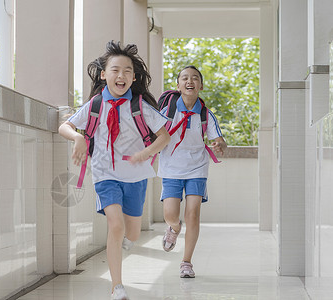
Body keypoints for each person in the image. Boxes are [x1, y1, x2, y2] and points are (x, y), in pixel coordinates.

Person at [59, 41, 170, 300]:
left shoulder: (139, 106)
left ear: (134, 76)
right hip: (105, 174)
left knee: (131, 232)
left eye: (127, 71)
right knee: (116, 226)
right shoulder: (96, 105)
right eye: (115, 70)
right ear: (103, 74)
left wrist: (147, 152)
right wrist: (78, 138)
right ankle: (117, 286)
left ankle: (127, 242)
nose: (121, 75)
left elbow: (164, 136)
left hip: (136, 175)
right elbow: (65, 126)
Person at [158, 66, 227, 278]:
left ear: (201, 86)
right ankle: (174, 229)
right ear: (178, 85)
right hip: (171, 167)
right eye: (185, 78)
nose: (190, 81)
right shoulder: (167, 111)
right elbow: (152, 133)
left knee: (193, 214)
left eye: (195, 78)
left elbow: (220, 140)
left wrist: (219, 145)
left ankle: (186, 262)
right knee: (171, 215)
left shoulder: (205, 114)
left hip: (197, 167)